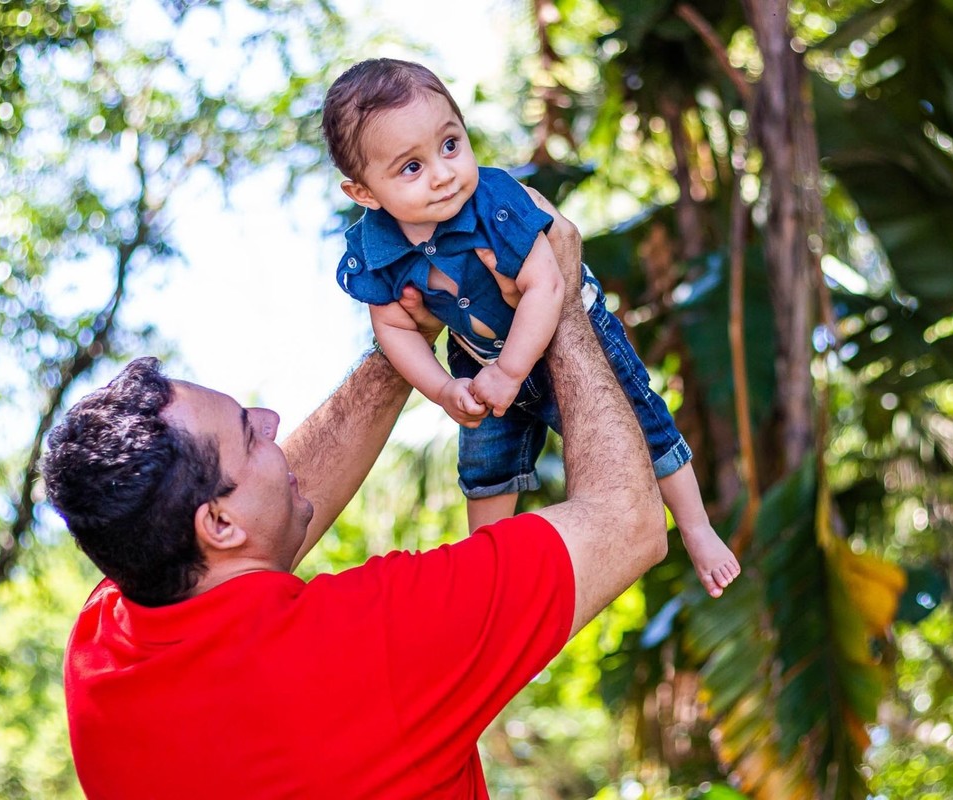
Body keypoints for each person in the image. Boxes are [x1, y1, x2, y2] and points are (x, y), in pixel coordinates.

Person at [41, 196, 671, 799]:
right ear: (217, 523)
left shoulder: (104, 650)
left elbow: (270, 518)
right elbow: (627, 520)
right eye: (247, 432)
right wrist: (555, 300)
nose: (270, 420)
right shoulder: (371, 645)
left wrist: (400, 349)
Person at [321, 58, 740, 597]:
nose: (444, 172)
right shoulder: (374, 250)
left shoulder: (495, 200)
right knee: (484, 465)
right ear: (365, 194)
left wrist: (513, 370)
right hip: (478, 357)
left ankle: (697, 529)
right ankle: (490, 589)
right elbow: (395, 329)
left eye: (450, 145)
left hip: (568, 329)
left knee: (644, 428)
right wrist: (444, 389)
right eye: (411, 167)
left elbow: (547, 285)